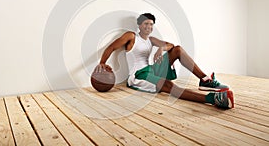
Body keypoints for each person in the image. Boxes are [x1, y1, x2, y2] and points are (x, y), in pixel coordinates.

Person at [95, 13, 234, 109]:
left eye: (151, 24)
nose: (148, 27)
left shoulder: (151, 40)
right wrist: (102, 62)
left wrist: (161, 49)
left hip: (152, 69)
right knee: (167, 85)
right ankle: (212, 99)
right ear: (139, 25)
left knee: (178, 49)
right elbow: (112, 47)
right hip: (139, 75)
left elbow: (171, 46)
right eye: (145, 24)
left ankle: (205, 80)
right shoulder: (131, 36)